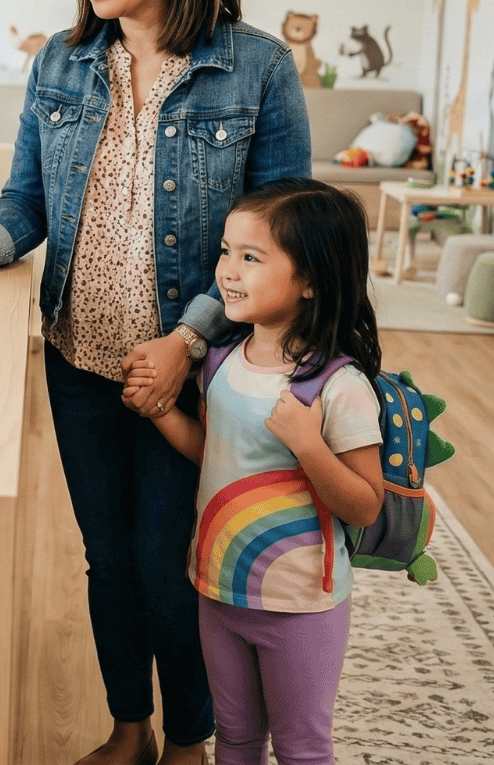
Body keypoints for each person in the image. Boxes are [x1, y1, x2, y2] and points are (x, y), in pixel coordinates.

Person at [0, 0, 311, 765]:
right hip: (80, 354)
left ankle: (190, 740)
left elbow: (282, 240)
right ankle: (127, 726)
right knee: (106, 558)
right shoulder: (60, 63)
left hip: (195, 370)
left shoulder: (252, 69)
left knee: (171, 563)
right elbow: (24, 199)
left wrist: (187, 339)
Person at [134, 178, 384, 765]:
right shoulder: (220, 361)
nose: (228, 270)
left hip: (299, 605)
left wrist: (309, 445)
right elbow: (214, 455)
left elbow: (365, 505)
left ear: (310, 280)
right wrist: (159, 409)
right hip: (218, 588)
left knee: (301, 747)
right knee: (237, 736)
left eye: (251, 257)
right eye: (226, 251)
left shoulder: (338, 387)